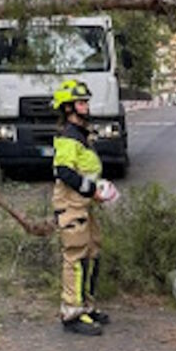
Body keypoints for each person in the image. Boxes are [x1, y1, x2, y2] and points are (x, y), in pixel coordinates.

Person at [51, 80, 114, 336]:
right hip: (72, 206)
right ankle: (71, 313)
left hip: (85, 205)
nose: (86, 107)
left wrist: (98, 188)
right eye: (80, 102)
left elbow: (84, 169)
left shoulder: (81, 135)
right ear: (68, 108)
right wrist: (92, 190)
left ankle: (87, 306)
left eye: (86, 102)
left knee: (92, 253)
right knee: (75, 257)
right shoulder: (68, 137)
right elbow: (64, 171)